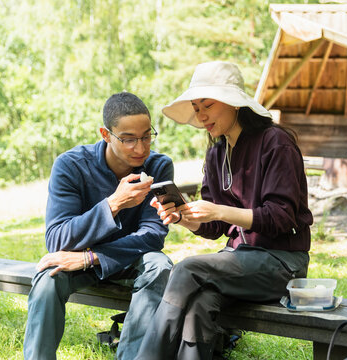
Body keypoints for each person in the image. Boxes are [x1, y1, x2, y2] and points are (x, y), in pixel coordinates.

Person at [136, 61, 313, 360]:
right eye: (196, 107)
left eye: (207, 105)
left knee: (187, 268)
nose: (200, 115)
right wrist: (183, 218)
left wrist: (218, 211)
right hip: (238, 261)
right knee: (200, 303)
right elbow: (216, 228)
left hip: (283, 263)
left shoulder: (276, 143)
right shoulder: (217, 153)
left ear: (233, 103)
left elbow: (280, 216)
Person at [23, 92, 174, 360]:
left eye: (146, 136)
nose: (140, 148)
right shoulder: (70, 166)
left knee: (160, 265)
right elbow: (58, 239)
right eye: (128, 139)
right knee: (48, 277)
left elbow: (152, 236)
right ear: (106, 134)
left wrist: (91, 257)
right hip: (79, 262)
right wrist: (113, 204)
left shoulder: (159, 166)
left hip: (128, 259)